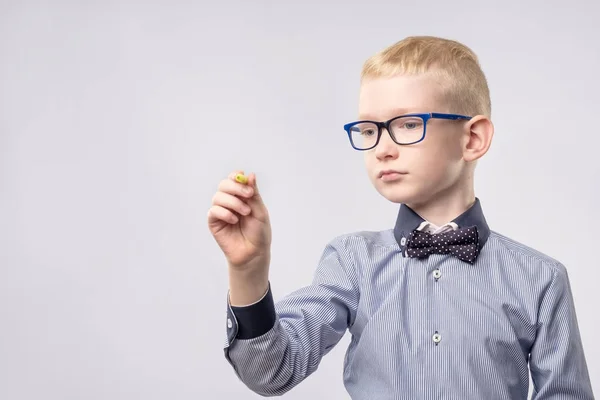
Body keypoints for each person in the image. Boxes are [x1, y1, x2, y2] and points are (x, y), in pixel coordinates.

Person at [207, 36, 595, 399]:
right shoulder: (351, 260)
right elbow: (270, 371)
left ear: (472, 139)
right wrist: (248, 270)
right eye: (369, 129)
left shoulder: (541, 278)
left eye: (408, 124)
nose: (382, 149)